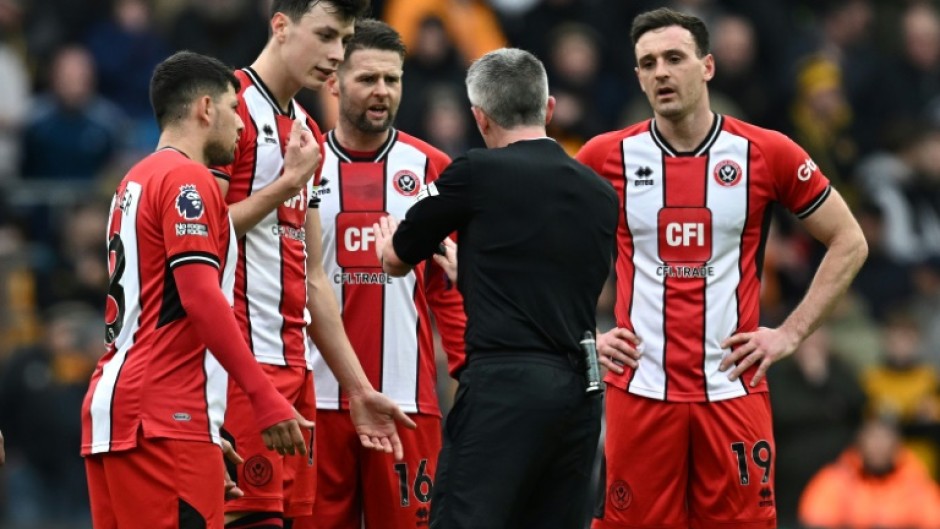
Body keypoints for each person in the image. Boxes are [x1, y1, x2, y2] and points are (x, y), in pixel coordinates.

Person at [576, 8, 868, 529]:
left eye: (674, 58)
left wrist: (789, 334)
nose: (661, 72)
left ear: (707, 66)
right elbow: (545, 249)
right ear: (638, 77)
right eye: (648, 64)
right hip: (640, 392)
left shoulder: (768, 152)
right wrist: (584, 336)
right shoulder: (604, 156)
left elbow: (849, 241)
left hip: (732, 389)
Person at [376, 47, 619, 529]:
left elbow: (401, 254)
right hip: (580, 393)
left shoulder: (475, 173)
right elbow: (548, 280)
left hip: (504, 388)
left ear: (479, 118)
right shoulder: (601, 193)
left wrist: (390, 248)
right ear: (548, 109)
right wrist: (474, 272)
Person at [80, 50, 313, 529]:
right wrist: (264, 396)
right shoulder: (190, 179)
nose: (242, 126)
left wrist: (208, 431)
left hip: (116, 417)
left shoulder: (134, 180)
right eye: (233, 109)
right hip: (164, 419)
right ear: (206, 109)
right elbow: (200, 298)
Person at [208, 2, 416, 527]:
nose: (335, 54)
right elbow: (195, 236)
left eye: (343, 40)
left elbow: (314, 276)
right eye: (325, 35)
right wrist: (288, 183)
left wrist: (358, 388)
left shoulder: (305, 129)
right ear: (281, 26)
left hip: (296, 373)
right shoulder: (223, 109)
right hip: (239, 371)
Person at [292, 19, 466, 529]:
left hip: (406, 402)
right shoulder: (303, 165)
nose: (382, 91)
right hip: (318, 399)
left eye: (392, 79)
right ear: (334, 82)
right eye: (367, 78)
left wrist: (467, 373)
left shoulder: (431, 166)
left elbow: (446, 288)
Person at [798, 417, 940, 529]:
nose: (878, 447)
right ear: (859, 443)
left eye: (884, 440)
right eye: (873, 439)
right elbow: (816, 520)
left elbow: (934, 521)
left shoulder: (916, 481)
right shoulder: (834, 480)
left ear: (897, 446)